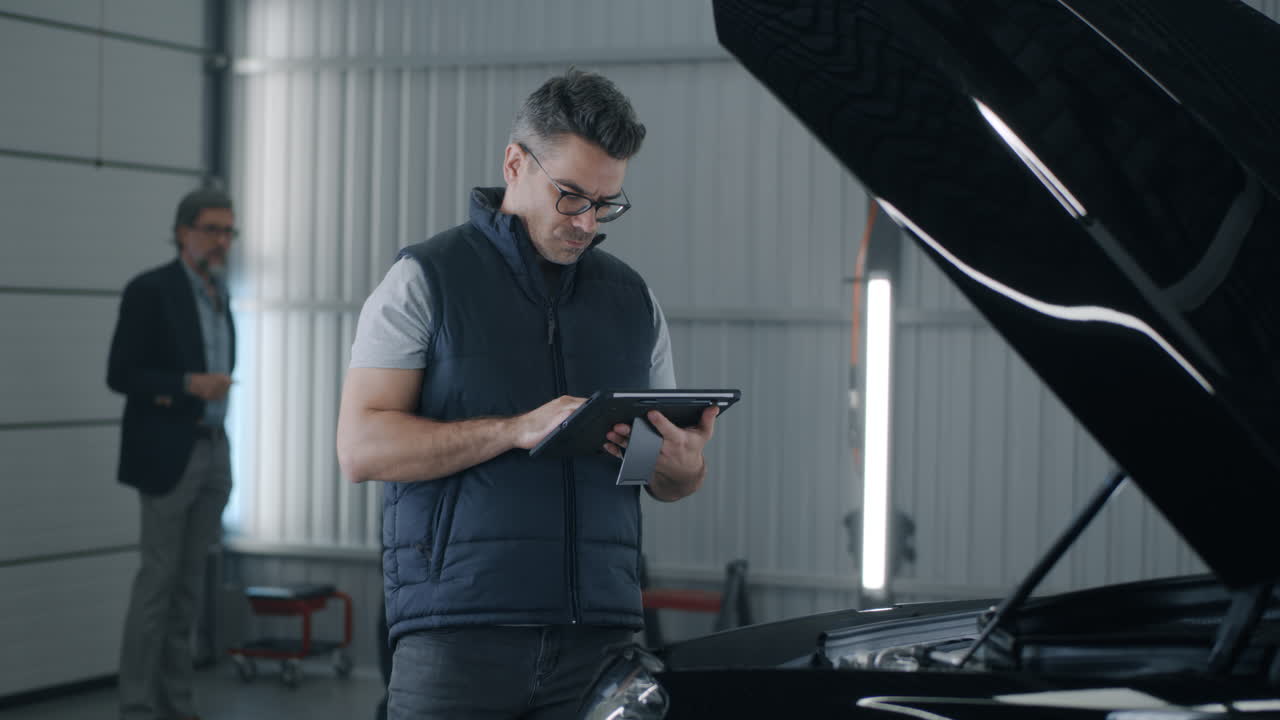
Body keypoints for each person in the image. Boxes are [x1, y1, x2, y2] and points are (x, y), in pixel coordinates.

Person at [337, 68, 719, 720]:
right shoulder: (424, 281)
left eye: (606, 203)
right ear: (515, 163)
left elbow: (666, 478)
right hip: (458, 638)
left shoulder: (633, 301)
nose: (587, 220)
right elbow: (362, 448)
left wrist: (684, 468)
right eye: (571, 195)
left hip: (601, 643)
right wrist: (514, 429)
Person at [108, 188, 237, 720]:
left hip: (214, 450)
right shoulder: (150, 291)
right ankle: (138, 706)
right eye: (212, 229)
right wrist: (187, 385)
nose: (222, 241)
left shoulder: (219, 293)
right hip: (168, 454)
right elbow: (121, 375)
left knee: (188, 587)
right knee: (157, 586)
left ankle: (177, 705)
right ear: (183, 231)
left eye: (229, 231)